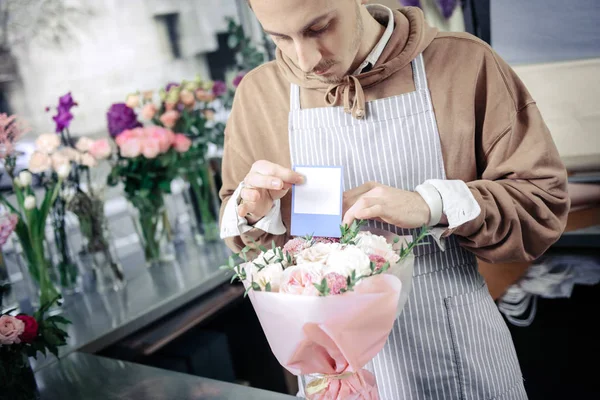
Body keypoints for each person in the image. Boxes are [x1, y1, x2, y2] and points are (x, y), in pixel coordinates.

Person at [219, 1, 570, 398]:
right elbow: (247, 238)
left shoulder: (465, 63)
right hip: (335, 375)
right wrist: (254, 212)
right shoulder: (259, 94)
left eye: (319, 28)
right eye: (280, 38)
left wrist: (432, 205)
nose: (306, 59)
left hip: (458, 353)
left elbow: (543, 204)